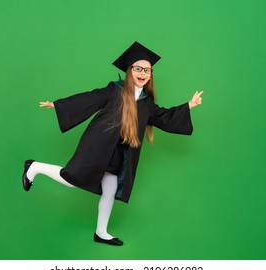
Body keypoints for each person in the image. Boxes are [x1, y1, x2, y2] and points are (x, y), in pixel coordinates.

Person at [22, 41, 203, 246]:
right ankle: (34, 167)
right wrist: (58, 105)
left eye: (147, 70)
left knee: (110, 190)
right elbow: (89, 99)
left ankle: (101, 232)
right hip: (98, 146)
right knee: (71, 179)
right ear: (129, 71)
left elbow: (164, 117)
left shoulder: (146, 103)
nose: (143, 73)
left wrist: (189, 105)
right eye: (138, 68)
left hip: (119, 154)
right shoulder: (114, 91)